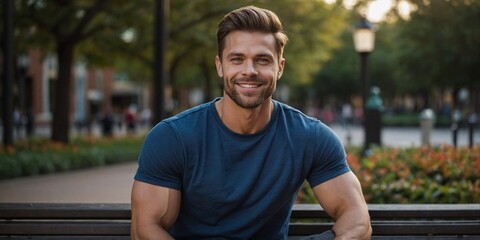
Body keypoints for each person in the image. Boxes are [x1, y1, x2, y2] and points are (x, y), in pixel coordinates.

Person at [131, 5, 371, 239]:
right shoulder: (172, 138)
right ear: (220, 66)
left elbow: (357, 221)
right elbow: (146, 230)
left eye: (263, 60)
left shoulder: (311, 138)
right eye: (237, 59)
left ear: (280, 68)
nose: (250, 71)